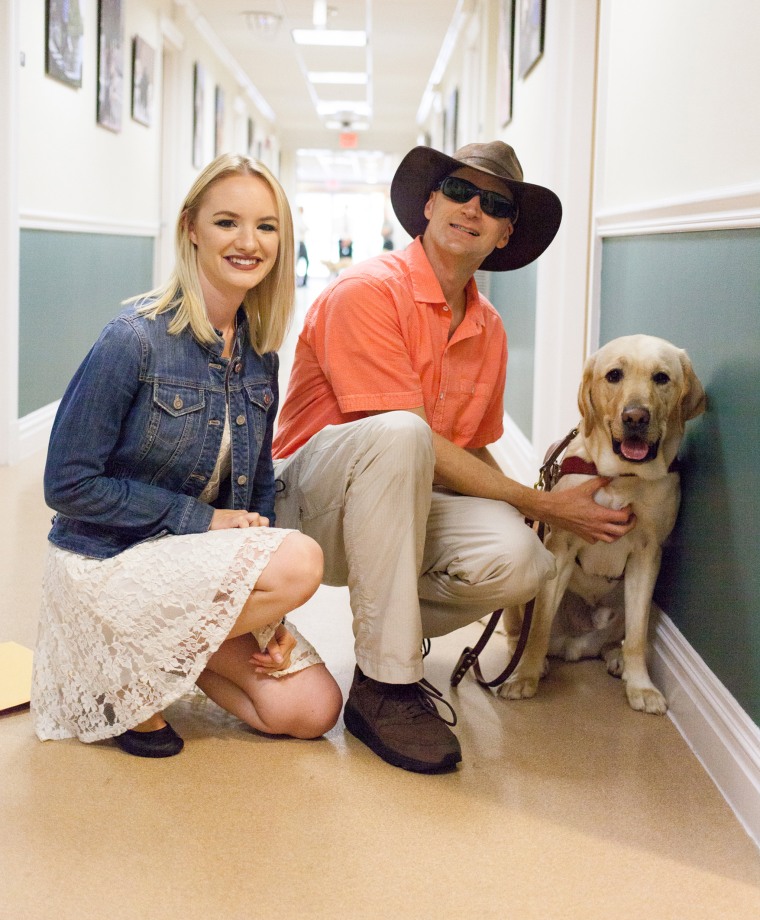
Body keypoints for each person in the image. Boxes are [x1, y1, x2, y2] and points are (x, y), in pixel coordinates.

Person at [271, 141, 634, 774]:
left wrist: (538, 523)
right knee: (402, 434)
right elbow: (409, 437)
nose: (473, 208)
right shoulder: (365, 292)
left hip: (397, 513)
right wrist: (541, 501)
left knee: (526, 561)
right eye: (460, 191)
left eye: (494, 204)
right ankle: (389, 686)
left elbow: (466, 446)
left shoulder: (488, 328)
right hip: (306, 510)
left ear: (503, 234)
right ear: (430, 203)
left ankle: (381, 656)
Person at [32, 154, 343, 758]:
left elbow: (253, 497)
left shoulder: (260, 357)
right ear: (191, 229)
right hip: (108, 563)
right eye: (227, 222)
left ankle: (143, 665)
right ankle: (119, 670)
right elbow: (67, 485)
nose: (249, 242)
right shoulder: (133, 341)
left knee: (310, 710)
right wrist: (203, 520)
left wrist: (267, 622)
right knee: (301, 561)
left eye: (267, 226)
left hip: (188, 573)